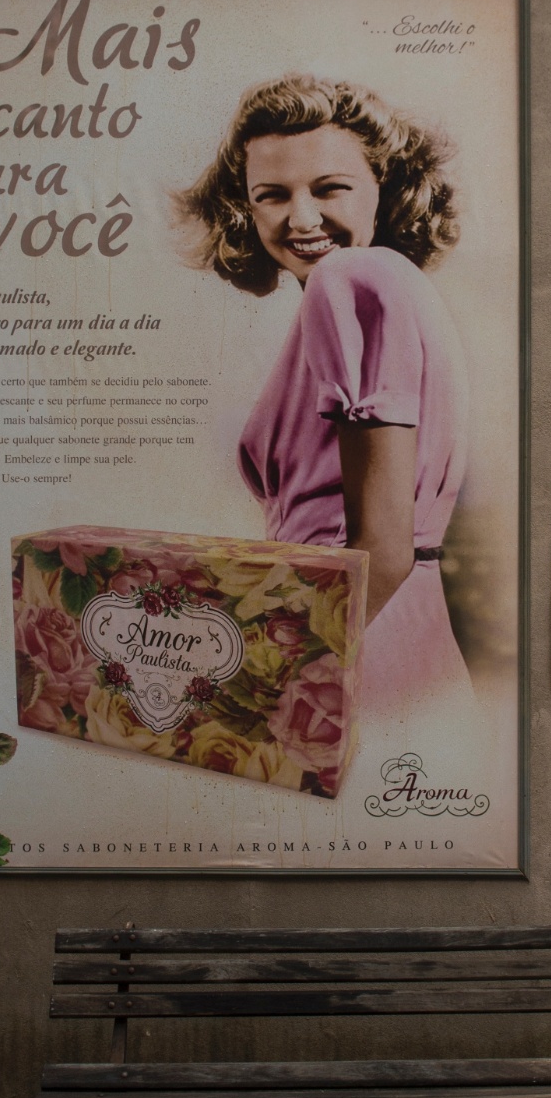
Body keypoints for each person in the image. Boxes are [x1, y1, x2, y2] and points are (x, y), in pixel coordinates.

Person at [174, 73, 475, 730]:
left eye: (329, 188)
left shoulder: (353, 276)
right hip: (406, 636)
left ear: (384, 187)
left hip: (356, 640)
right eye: (271, 196)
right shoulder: (389, 288)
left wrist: (262, 678)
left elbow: (384, 549)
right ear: (245, 210)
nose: (301, 219)